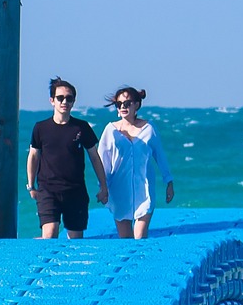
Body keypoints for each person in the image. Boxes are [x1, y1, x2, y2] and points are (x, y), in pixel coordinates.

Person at [95, 87, 174, 240]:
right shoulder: (110, 130)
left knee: (140, 238)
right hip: (119, 190)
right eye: (119, 104)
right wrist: (103, 188)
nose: (123, 107)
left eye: (127, 103)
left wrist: (169, 181)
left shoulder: (149, 128)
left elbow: (160, 156)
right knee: (125, 240)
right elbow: (102, 162)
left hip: (144, 190)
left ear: (136, 105)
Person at [27, 77, 100, 238]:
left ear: (73, 101)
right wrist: (31, 185)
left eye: (69, 98)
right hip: (48, 189)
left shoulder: (82, 127)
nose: (64, 102)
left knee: (75, 239)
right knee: (50, 233)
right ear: (52, 100)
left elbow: (94, 157)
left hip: (76, 191)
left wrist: (104, 186)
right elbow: (33, 156)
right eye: (60, 98)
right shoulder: (41, 128)